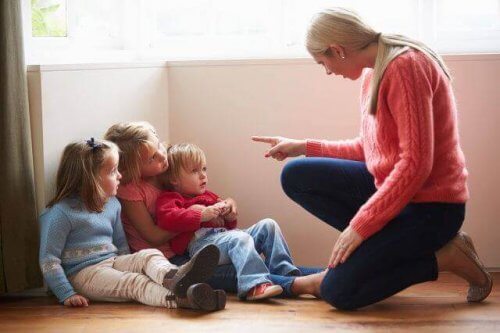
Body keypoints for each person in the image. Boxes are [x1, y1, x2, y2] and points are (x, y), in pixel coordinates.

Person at [252, 7, 492, 310]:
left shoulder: (405, 67)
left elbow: (416, 164)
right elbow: (372, 149)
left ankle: (446, 255)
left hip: (432, 209)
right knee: (296, 174)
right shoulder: (373, 74)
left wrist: (360, 227)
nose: (327, 71)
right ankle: (362, 261)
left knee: (339, 293)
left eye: (322, 62)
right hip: (397, 195)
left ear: (337, 50)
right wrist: (303, 146)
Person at [105, 122, 325, 298]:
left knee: (266, 227)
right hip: (175, 262)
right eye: (152, 157)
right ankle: (302, 285)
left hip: (210, 243)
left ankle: (305, 275)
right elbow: (154, 235)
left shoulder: (166, 172)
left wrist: (227, 209)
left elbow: (213, 207)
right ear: (133, 167)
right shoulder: (134, 189)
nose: (162, 157)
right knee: (241, 269)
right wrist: (201, 218)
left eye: (159, 147)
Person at [39, 138, 225, 311]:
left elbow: (121, 244)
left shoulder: (112, 205)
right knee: (134, 282)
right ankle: (183, 299)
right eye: (113, 171)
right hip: (83, 274)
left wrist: (132, 263)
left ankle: (175, 278)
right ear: (91, 179)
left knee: (149, 255)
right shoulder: (60, 214)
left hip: (112, 262)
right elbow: (49, 260)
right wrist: (66, 293)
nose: (120, 175)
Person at [156, 143, 314, 300]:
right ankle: (253, 285)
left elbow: (229, 226)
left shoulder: (208, 196)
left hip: (224, 238)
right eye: (194, 171)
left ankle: (285, 273)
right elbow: (167, 220)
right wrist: (200, 215)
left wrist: (229, 216)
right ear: (174, 179)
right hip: (202, 247)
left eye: (204, 169)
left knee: (268, 225)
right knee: (239, 239)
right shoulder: (169, 198)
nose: (203, 175)